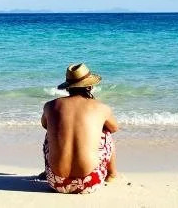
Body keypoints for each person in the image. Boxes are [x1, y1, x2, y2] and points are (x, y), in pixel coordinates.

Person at [40, 63, 119, 194]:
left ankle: (47, 170)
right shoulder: (101, 107)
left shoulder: (50, 105)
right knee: (106, 131)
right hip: (90, 182)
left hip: (55, 182)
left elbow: (45, 125)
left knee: (50, 133)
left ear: (68, 87)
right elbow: (114, 128)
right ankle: (112, 174)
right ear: (89, 86)